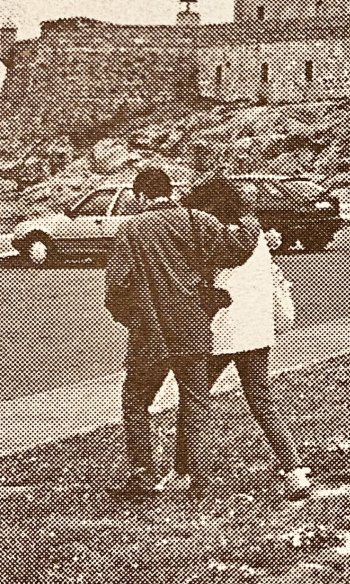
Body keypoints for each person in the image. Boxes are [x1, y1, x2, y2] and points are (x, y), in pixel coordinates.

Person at [105, 167, 260, 497]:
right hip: (193, 329)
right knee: (195, 403)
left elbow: (116, 289)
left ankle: (142, 474)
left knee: (135, 399)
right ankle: (196, 481)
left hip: (150, 335)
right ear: (170, 190)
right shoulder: (198, 221)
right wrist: (248, 213)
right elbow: (238, 250)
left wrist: (133, 320)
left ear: (140, 196)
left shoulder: (130, 231)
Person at [168, 176, 312, 499]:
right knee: (262, 402)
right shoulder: (255, 235)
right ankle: (293, 470)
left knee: (193, 402)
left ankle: (181, 471)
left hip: (216, 331)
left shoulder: (207, 235)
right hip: (255, 329)